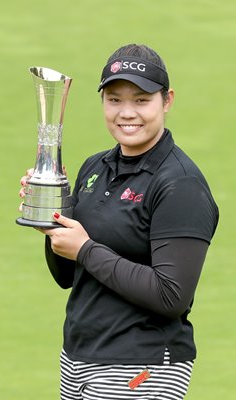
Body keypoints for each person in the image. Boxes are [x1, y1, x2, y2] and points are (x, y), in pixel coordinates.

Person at [19, 44, 219, 400]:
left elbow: (171, 295)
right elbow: (68, 276)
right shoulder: (95, 168)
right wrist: (51, 217)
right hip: (79, 357)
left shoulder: (180, 184)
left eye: (141, 100)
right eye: (114, 100)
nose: (127, 112)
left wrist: (85, 249)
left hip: (142, 364)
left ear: (167, 100)